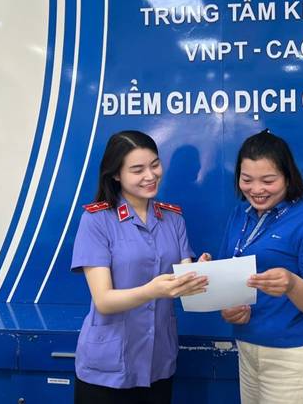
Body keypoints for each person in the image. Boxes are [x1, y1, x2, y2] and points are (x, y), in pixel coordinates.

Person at [71, 130, 208, 404]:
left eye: (155, 165)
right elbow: (104, 301)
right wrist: (152, 290)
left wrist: (201, 274)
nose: (150, 175)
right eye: (137, 170)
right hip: (107, 366)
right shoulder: (97, 220)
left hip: (158, 361)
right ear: (116, 174)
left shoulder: (173, 218)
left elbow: (184, 282)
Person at [218, 129, 303, 404]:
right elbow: (229, 272)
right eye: (246, 179)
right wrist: (227, 306)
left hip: (295, 357)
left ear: (288, 176)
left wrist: (293, 284)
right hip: (248, 348)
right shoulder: (240, 214)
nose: (256, 189)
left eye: (268, 180)